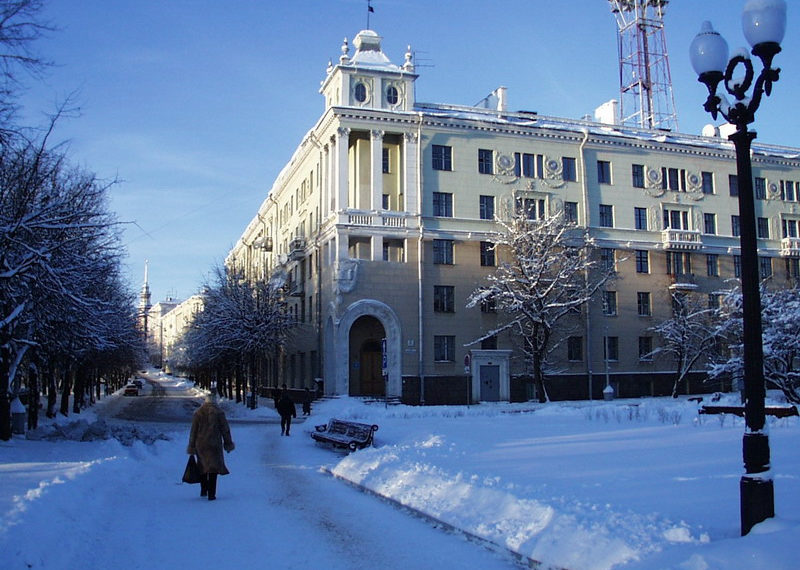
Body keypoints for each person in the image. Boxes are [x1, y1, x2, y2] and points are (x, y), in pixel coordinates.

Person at [187, 392, 235, 501]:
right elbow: (225, 430)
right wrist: (228, 443)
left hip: (201, 444)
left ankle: (204, 489)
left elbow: (193, 431)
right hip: (214, 444)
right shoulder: (219, 413)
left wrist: (192, 446)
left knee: (202, 466)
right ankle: (212, 494)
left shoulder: (198, 413)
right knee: (213, 468)